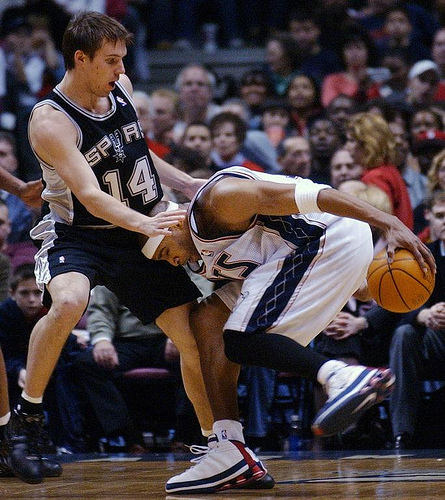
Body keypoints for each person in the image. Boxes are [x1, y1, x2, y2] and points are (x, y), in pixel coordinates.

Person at [5, 12, 270, 490]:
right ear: (80, 59)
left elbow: (137, 152)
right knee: (68, 302)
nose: (121, 68)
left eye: (122, 58)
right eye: (111, 60)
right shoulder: (50, 120)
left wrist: (184, 182)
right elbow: (89, 194)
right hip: (80, 234)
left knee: (192, 338)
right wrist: (145, 222)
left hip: (134, 233)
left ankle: (219, 448)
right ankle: (28, 417)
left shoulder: (121, 88)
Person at [147, 165, 434, 493]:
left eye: (165, 251)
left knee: (241, 339)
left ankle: (342, 377)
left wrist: (389, 222)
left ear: (176, 222)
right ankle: (229, 447)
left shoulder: (220, 200)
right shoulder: (197, 248)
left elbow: (319, 196)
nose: (170, 261)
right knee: (207, 320)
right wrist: (354, 283)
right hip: (300, 254)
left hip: (326, 237)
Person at [389, 190, 445, 450]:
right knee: (404, 334)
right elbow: (398, 302)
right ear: (429, 217)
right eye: (441, 216)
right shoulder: (421, 255)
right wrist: (422, 314)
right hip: (434, 336)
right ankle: (403, 432)